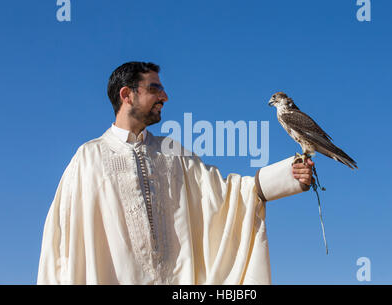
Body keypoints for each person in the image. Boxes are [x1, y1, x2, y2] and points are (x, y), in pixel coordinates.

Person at [37, 61, 314, 284]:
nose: (165, 96)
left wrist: (287, 176)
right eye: (155, 88)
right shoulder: (88, 159)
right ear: (127, 95)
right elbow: (59, 244)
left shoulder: (171, 152)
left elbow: (221, 194)